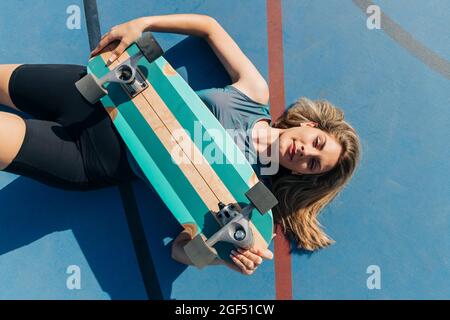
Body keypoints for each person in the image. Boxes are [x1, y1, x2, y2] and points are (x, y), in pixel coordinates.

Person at [0, 14, 361, 275]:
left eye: (313, 163)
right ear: (311, 125)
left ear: (302, 174)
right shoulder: (255, 95)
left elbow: (179, 251)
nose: (306, 153)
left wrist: (220, 256)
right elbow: (209, 26)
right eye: (317, 143)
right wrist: (144, 24)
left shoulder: (251, 194)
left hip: (91, 157)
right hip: (97, 92)